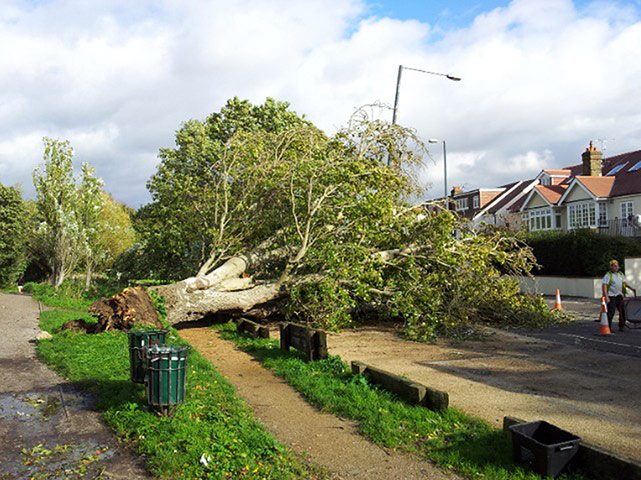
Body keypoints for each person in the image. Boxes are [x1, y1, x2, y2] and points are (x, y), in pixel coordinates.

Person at [602, 260, 637, 332]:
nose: (616, 267)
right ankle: (609, 327)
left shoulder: (620, 274)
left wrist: (631, 288)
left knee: (622, 311)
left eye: (617, 266)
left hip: (619, 296)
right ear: (611, 267)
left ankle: (621, 326)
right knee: (611, 312)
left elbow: (624, 283)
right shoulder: (608, 275)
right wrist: (606, 297)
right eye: (614, 266)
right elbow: (604, 286)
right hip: (611, 296)